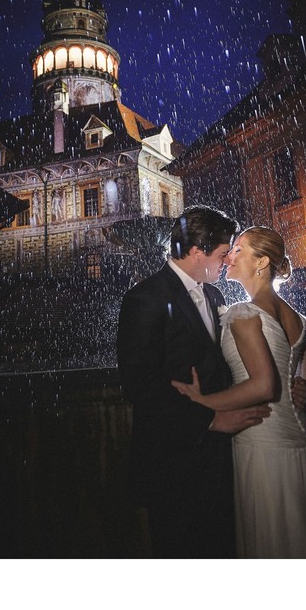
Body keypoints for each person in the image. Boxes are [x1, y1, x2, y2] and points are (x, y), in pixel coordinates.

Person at [171, 226, 306, 557]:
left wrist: (202, 401)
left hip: (263, 439)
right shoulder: (295, 315)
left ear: (262, 262)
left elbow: (264, 385)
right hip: (302, 440)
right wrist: (301, 389)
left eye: (239, 251)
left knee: (274, 541)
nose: (229, 257)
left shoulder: (244, 312)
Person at [117, 205, 273, 558]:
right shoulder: (145, 299)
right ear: (197, 250)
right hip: (173, 462)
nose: (226, 262)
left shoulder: (215, 295)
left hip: (219, 460)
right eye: (221, 253)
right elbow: (139, 385)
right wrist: (212, 419)